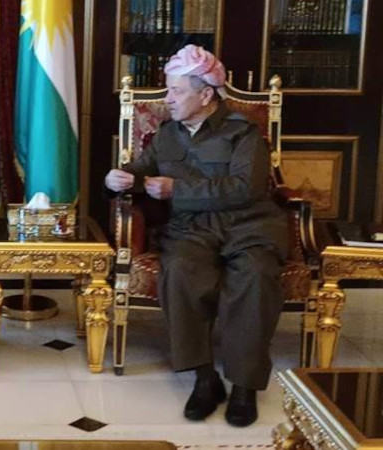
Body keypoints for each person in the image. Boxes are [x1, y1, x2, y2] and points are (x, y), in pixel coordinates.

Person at [104, 45, 288, 427]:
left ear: (205, 95)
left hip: (248, 226)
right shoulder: (166, 135)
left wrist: (178, 190)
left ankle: (244, 386)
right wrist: (117, 179)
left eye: (176, 91)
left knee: (255, 277)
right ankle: (205, 378)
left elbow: (247, 188)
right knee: (179, 272)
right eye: (167, 90)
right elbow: (140, 171)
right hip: (191, 229)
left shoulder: (243, 133)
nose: (167, 99)